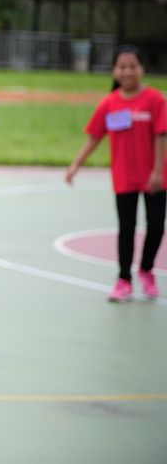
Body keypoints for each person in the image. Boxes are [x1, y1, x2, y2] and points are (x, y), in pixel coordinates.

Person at [67, 45, 166, 302]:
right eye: (122, 67)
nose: (127, 71)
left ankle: (146, 269)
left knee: (156, 227)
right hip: (124, 177)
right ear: (114, 71)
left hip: (154, 177)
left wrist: (158, 171)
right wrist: (76, 164)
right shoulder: (110, 103)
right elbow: (94, 136)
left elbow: (161, 136)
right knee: (126, 228)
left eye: (132, 66)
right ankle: (124, 279)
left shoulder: (155, 100)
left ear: (142, 69)